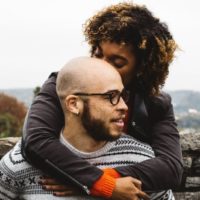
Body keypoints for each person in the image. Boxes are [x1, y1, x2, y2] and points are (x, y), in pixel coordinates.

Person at [22, 2, 183, 199]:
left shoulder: (156, 103)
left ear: (141, 68)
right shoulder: (64, 84)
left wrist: (102, 181)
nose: (101, 65)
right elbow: (36, 140)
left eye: (117, 62)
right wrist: (99, 184)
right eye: (98, 54)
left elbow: (171, 168)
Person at [0, 57, 174, 199]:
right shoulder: (18, 165)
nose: (124, 106)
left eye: (123, 95)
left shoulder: (141, 160)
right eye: (110, 96)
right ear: (74, 104)